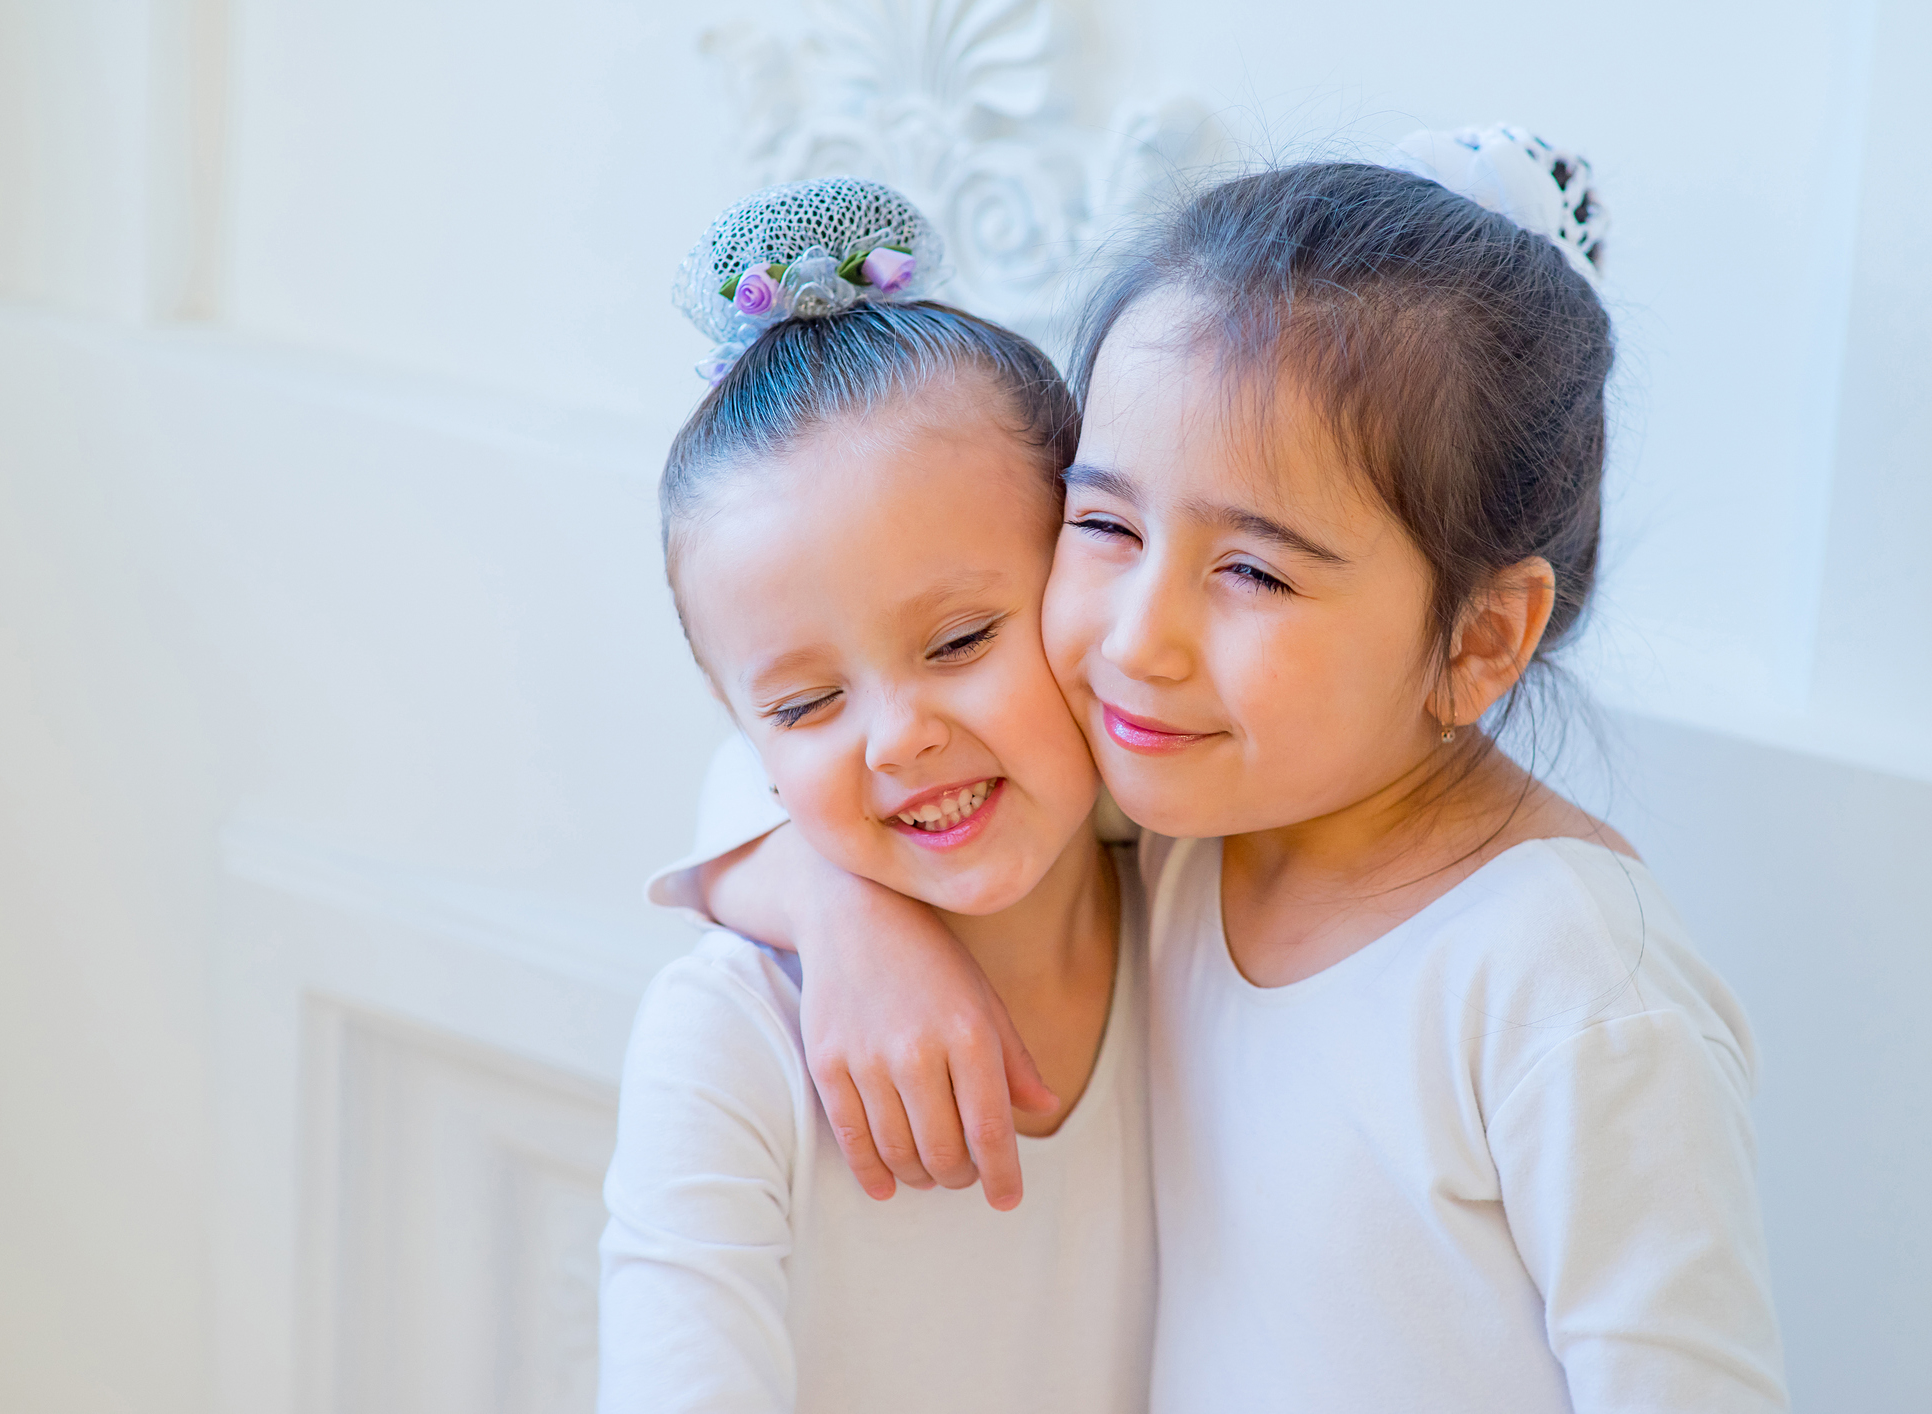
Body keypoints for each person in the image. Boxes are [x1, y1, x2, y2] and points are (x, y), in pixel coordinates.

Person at [684, 131, 1792, 1412]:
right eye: (1103, 525)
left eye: (1255, 570)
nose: (1139, 639)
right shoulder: (1181, 817)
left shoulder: (1572, 988)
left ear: (1482, 636)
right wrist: (847, 913)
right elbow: (769, 764)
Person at [595, 177, 1153, 1414]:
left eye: (958, 641)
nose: (900, 740)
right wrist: (839, 907)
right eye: (802, 707)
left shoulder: (1211, 909)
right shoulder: (727, 1039)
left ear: (1087, 564)